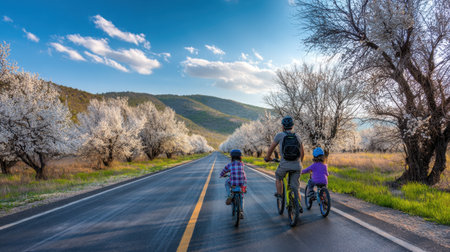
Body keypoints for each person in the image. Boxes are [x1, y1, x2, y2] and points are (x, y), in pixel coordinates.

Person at [264, 116, 304, 212]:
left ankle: (280, 195)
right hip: (297, 165)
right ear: (292, 126)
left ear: (282, 126)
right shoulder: (297, 136)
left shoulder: (279, 135)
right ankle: (299, 205)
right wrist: (299, 163)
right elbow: (303, 152)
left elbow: (271, 149)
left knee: (278, 176)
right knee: (296, 187)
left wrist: (267, 158)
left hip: (284, 165)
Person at [220, 149, 247, 218]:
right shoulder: (242, 164)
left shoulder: (230, 164)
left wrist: (222, 175)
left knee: (226, 183)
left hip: (233, 182)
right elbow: (243, 173)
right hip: (241, 183)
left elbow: (224, 170)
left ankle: (229, 195)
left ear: (231, 157)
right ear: (240, 157)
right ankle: (241, 211)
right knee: (242, 197)